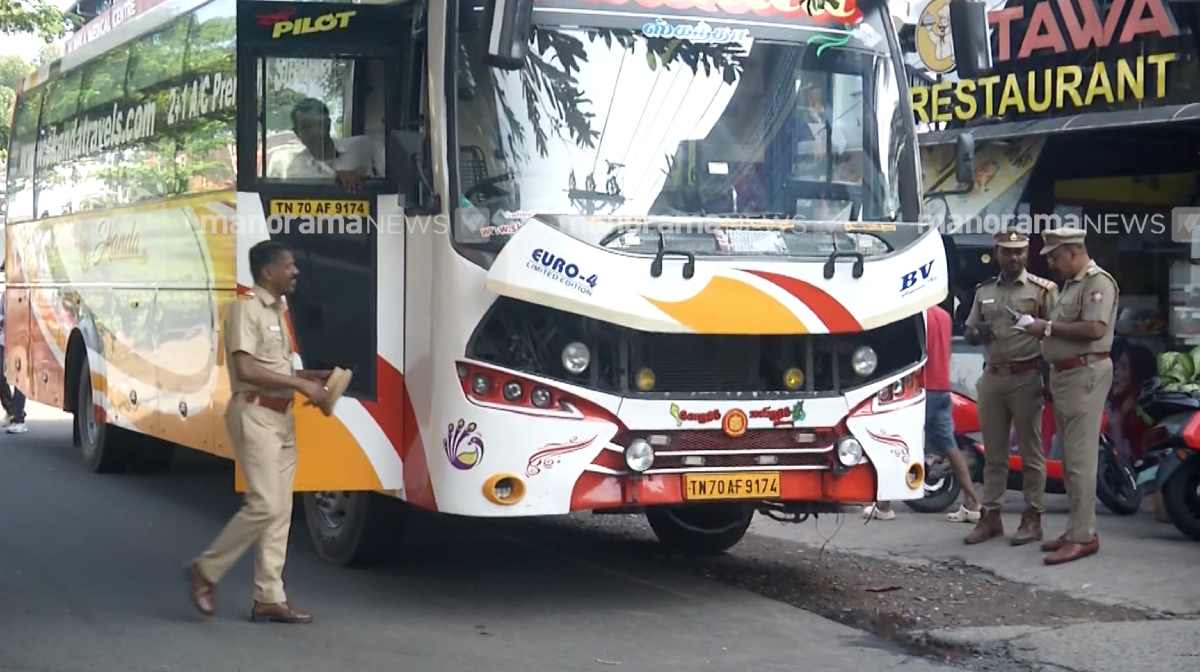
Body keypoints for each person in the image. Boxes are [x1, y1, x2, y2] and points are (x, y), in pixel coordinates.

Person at [188, 241, 338, 623]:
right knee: (265, 505)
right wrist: (304, 387)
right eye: (289, 266)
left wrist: (309, 377)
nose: (295, 272)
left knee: (281, 510)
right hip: (255, 415)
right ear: (268, 272)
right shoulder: (246, 311)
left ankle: (269, 597)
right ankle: (207, 570)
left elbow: (274, 367)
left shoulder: (278, 311)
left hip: (281, 418)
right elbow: (247, 370)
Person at [1018, 226, 1118, 565]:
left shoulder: (1097, 282)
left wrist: (1045, 327)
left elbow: (1095, 329)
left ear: (1074, 252)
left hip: (1084, 375)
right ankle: (1076, 528)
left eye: (1056, 257)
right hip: (1066, 376)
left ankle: (1083, 536)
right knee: (1072, 459)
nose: (1052, 264)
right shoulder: (1072, 285)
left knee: (1080, 462)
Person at [962, 230, 1058, 546]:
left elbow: (1056, 335)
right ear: (997, 252)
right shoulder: (984, 291)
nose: (1013, 257)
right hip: (993, 376)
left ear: (1027, 253)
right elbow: (969, 332)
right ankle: (991, 516)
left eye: (1019, 251)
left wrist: (1050, 380)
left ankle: (1033, 517)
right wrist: (978, 332)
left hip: (1027, 376)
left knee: (1031, 453)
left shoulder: (1043, 290)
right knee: (994, 453)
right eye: (1007, 251)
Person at [863, 304, 982, 521]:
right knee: (950, 446)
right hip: (942, 387)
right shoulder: (944, 316)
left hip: (919, 388)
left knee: (896, 442)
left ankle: (884, 505)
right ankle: (973, 503)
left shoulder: (911, 314)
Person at [273, 98, 380, 192]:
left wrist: (369, 179)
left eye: (319, 124)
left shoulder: (363, 146)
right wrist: (337, 176)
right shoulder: (295, 166)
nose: (314, 132)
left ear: (328, 124)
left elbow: (392, 180)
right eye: (306, 127)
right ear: (296, 133)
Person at [0, 290, 29, 434]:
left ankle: (19, 419)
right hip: (4, 341)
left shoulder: (22, 295)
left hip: (19, 343)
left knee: (19, 379)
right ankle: (11, 411)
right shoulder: (6, 295)